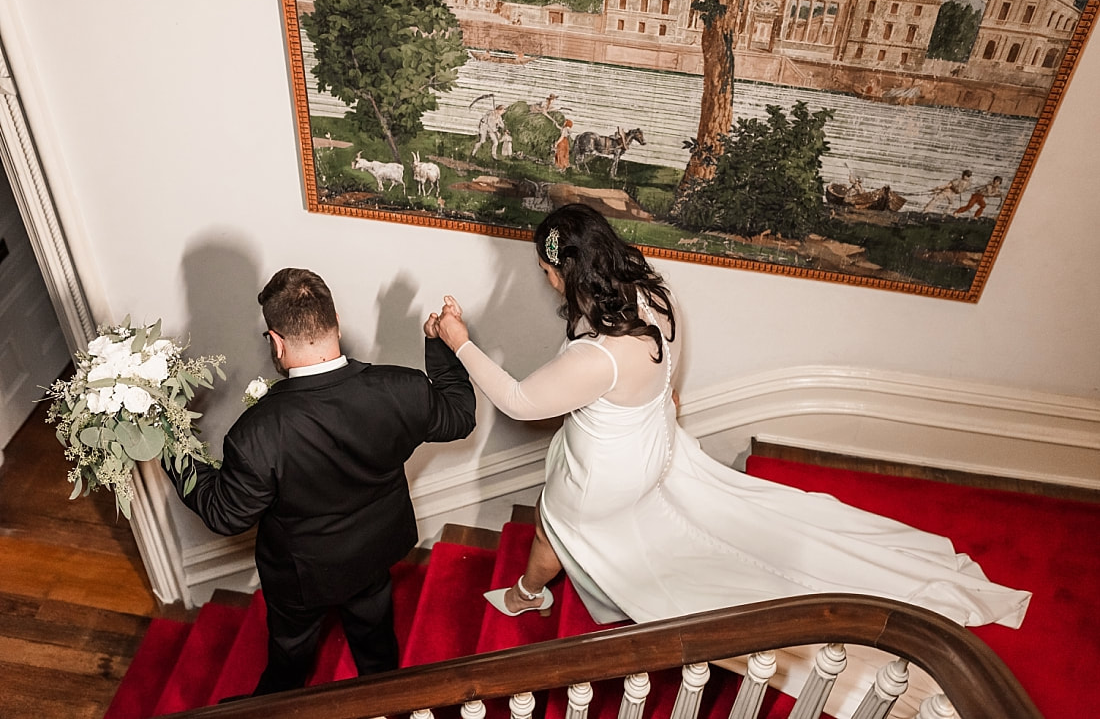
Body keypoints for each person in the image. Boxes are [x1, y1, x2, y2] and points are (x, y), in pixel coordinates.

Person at [427, 204, 1030, 711]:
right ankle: (588, 588)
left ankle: (529, 593)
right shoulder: (649, 292)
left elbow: (520, 402)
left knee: (552, 529)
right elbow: (666, 387)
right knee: (630, 527)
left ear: (568, 269)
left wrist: (460, 339)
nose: (547, 282)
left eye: (547, 272)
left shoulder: (598, 355)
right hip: (649, 450)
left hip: (601, 473)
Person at [165, 268, 476, 696]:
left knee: (291, 655)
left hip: (300, 577)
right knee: (375, 632)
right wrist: (440, 347)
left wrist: (168, 446)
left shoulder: (258, 433)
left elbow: (225, 513)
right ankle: (384, 693)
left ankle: (277, 702)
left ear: (275, 341)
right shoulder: (401, 389)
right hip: (375, 550)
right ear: (336, 326)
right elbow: (460, 414)